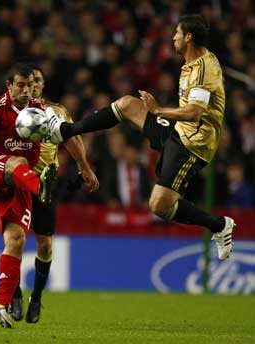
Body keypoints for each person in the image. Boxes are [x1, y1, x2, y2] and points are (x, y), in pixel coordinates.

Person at [48, 14, 236, 260]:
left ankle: (220, 226)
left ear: (188, 37)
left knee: (158, 205)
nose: (173, 37)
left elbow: (194, 112)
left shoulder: (203, 70)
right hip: (177, 130)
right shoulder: (193, 61)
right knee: (127, 104)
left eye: (177, 33)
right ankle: (66, 130)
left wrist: (158, 110)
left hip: (193, 145)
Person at [0, 62, 57, 329]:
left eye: (30, 85)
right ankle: (40, 187)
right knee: (17, 161)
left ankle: (0, 303)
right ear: (10, 86)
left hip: (18, 180)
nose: (25, 89)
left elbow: (60, 133)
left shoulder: (40, 111)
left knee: (17, 238)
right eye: (20, 84)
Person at [9, 65, 99, 324]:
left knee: (45, 244)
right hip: (17, 182)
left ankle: (35, 297)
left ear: (43, 85)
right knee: (14, 239)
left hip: (45, 185)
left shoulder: (57, 112)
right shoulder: (13, 110)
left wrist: (85, 167)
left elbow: (72, 140)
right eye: (28, 81)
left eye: (37, 80)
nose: (33, 85)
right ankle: (13, 291)